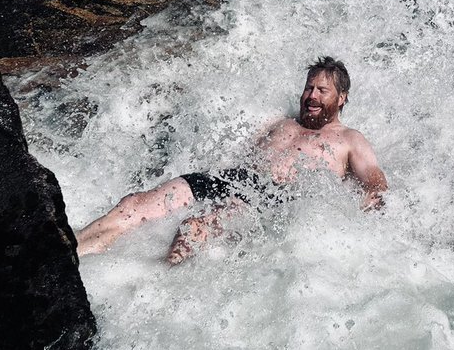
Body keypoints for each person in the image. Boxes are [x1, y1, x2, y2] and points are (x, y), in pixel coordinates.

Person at [75, 56, 388, 264]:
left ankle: (150, 290)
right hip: (232, 178)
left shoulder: (349, 139)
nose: (312, 96)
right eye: (308, 88)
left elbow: (375, 180)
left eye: (322, 90)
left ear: (342, 98)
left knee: (192, 230)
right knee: (134, 205)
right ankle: (70, 251)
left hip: (273, 199)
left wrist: (370, 201)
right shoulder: (282, 122)